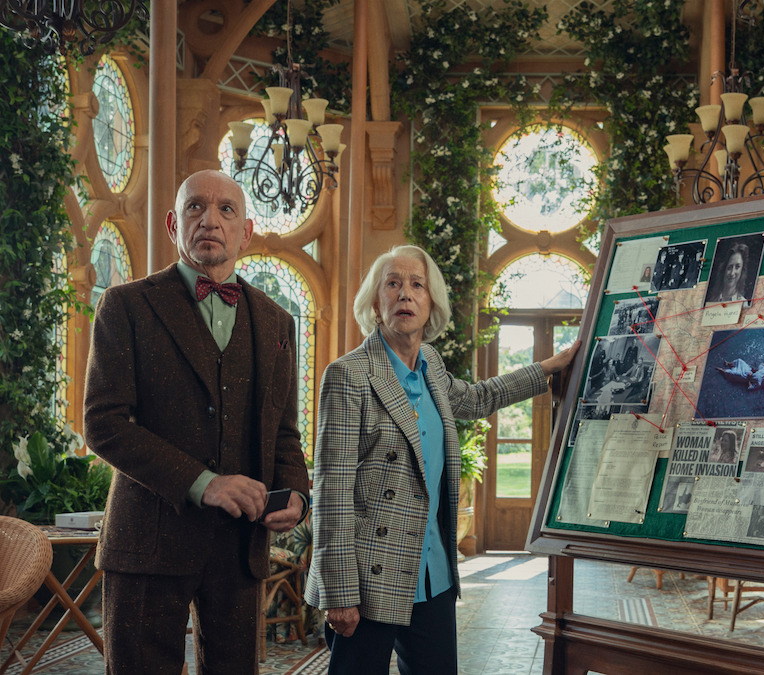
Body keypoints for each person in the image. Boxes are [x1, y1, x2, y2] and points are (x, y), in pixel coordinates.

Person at [305, 245, 579, 675]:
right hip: (368, 579)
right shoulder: (348, 375)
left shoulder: (430, 364)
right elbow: (331, 491)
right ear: (375, 304)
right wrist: (339, 592)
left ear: (431, 303)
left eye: (417, 285)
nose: (405, 294)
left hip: (433, 575)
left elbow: (478, 397)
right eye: (392, 284)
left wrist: (548, 368)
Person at [83, 169, 310, 674]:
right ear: (173, 224)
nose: (210, 219)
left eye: (226, 209)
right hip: (147, 542)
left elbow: (284, 430)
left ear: (245, 232)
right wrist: (204, 484)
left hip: (239, 548)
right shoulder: (125, 305)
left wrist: (296, 491)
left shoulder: (277, 321)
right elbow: (103, 424)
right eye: (195, 207)